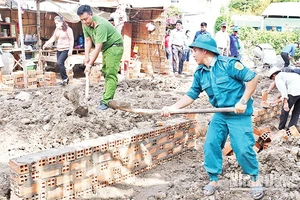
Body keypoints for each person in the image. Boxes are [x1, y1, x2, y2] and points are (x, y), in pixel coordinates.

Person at [161, 35, 263, 200]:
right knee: (210, 144)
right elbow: (192, 93)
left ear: (205, 51)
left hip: (238, 115)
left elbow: (253, 78)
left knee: (242, 149)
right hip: (221, 114)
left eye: (195, 51)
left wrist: (243, 101)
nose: (193, 54)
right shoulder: (200, 72)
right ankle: (214, 179)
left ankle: (254, 179)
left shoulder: (228, 65)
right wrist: (173, 108)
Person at [77, 5, 124, 110]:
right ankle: (106, 97)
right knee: (105, 72)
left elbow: (98, 48)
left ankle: (106, 101)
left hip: (115, 47)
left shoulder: (100, 25)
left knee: (111, 73)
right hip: (107, 48)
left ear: (91, 14)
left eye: (86, 19)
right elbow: (88, 40)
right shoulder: (85, 24)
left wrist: (89, 65)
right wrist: (86, 56)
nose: (84, 22)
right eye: (82, 20)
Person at [43, 16, 74, 86]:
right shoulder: (57, 30)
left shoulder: (68, 30)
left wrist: (70, 50)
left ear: (62, 22)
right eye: (55, 24)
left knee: (60, 62)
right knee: (60, 64)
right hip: (59, 49)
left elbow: (72, 40)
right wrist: (46, 43)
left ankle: (65, 78)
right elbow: (53, 38)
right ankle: (64, 80)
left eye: (57, 23)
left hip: (66, 49)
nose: (56, 25)